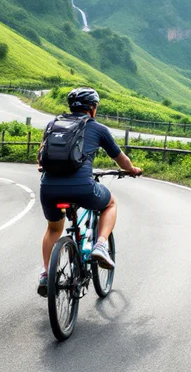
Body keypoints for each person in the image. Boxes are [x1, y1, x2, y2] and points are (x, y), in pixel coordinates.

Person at [37, 87, 142, 296]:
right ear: (92, 108)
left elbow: (41, 159)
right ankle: (101, 245)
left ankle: (46, 273)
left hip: (48, 189)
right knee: (110, 203)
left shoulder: (53, 125)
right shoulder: (98, 129)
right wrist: (131, 170)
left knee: (53, 229)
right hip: (82, 188)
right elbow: (120, 159)